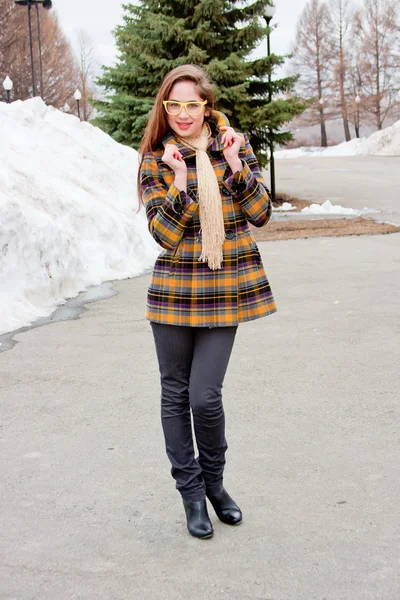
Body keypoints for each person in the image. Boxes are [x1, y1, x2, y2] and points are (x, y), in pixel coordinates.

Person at [138, 64, 277, 539]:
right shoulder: (157, 161)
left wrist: (237, 165)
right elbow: (164, 234)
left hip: (223, 290)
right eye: (172, 104)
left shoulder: (234, 147)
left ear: (206, 107)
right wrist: (179, 180)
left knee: (205, 395)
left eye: (191, 104)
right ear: (164, 108)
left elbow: (260, 213)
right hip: (175, 293)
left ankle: (216, 485)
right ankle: (192, 493)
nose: (181, 113)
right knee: (175, 394)